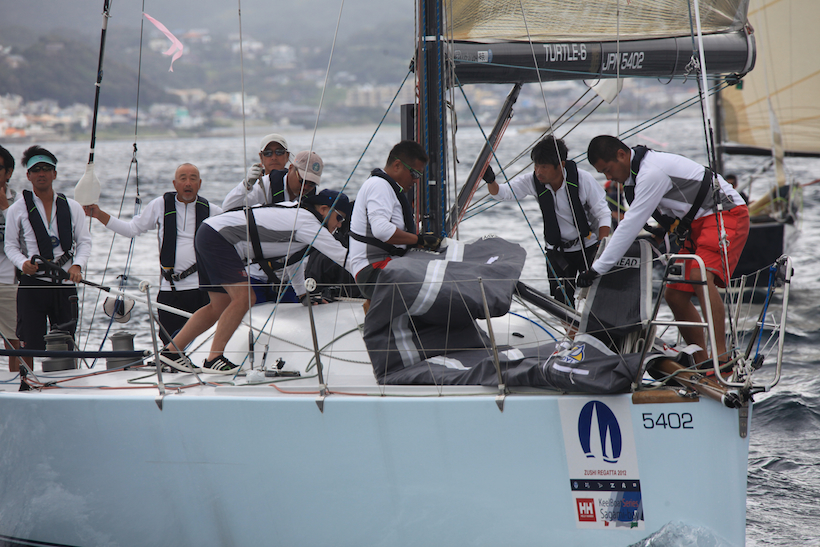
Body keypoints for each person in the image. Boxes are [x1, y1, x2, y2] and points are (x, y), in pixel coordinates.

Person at [582, 135, 749, 366]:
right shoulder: (637, 175)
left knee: (699, 275)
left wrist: (597, 269)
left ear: (621, 155)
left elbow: (631, 224)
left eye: (608, 170)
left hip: (725, 213)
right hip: (695, 224)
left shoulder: (651, 172)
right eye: (602, 173)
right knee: (675, 295)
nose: (608, 178)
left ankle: (721, 360)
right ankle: (702, 363)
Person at [163, 189, 352, 373]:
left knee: (218, 305)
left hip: (209, 232)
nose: (339, 225)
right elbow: (342, 256)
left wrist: (302, 294)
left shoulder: (301, 218)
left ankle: (172, 352)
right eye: (339, 218)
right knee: (245, 298)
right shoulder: (308, 223)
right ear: (324, 210)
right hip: (220, 238)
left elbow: (292, 260)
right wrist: (369, 276)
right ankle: (214, 359)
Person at [84, 163, 223, 343]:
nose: (188, 183)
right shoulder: (160, 205)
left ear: (200, 184)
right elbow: (131, 229)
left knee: (204, 342)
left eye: (193, 179)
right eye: (183, 179)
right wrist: (99, 214)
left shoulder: (213, 211)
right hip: (170, 290)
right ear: (175, 184)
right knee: (170, 342)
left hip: (202, 289)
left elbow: (232, 242)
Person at [486, 135, 611, 307]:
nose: (538, 171)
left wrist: (601, 250)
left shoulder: (583, 180)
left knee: (598, 298)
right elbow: (502, 193)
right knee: (561, 303)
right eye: (536, 165)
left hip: (588, 247)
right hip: (558, 251)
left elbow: (603, 214)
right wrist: (490, 180)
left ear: (561, 165)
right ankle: (568, 326)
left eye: (544, 166)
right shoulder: (533, 181)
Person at [4, 146, 92, 371]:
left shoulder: (72, 207)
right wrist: (23, 263)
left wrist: (78, 266)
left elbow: (84, 242)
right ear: (28, 175)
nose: (41, 173)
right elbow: (11, 246)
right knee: (28, 340)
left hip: (64, 283)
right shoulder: (17, 209)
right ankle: (27, 381)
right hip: (33, 284)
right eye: (36, 170)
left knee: (65, 340)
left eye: (46, 169)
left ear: (54, 174)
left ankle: (67, 380)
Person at [223, 147, 324, 303]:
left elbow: (296, 247)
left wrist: (303, 292)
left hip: (289, 280)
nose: (306, 187)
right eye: (302, 180)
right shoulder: (264, 186)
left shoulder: (309, 201)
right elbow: (227, 209)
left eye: (311, 184)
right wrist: (246, 185)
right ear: (291, 168)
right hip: (255, 275)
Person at [349, 140, 439, 301]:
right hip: (373, 271)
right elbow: (381, 230)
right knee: (437, 284)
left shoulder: (387, 188)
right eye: (415, 174)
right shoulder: (379, 185)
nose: (416, 180)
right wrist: (420, 240)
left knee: (439, 269)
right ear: (397, 165)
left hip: (387, 264)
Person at [222, 135, 318, 210]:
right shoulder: (257, 187)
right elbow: (227, 208)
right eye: (268, 153)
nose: (274, 157)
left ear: (287, 156)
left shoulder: (307, 185)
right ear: (261, 157)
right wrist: (246, 184)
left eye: (279, 152)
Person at [0, 145, 21, 372]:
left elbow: (24, 241)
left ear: (9, 172)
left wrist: (6, 209)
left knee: (15, 340)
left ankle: (18, 381)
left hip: (8, 281)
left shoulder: (19, 203)